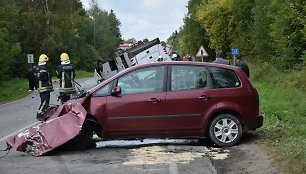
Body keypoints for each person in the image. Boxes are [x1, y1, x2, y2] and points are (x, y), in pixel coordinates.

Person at [36, 54, 53, 121]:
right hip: (44, 88)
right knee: (45, 102)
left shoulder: (38, 68)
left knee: (45, 102)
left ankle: (44, 113)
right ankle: (39, 114)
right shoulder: (43, 68)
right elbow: (41, 77)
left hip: (43, 88)